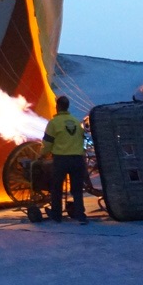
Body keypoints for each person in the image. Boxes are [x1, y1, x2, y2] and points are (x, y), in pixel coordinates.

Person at [43, 95, 89, 224]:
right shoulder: (75, 121)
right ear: (68, 106)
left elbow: (47, 143)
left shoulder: (53, 123)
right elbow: (82, 139)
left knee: (56, 188)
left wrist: (41, 154)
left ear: (57, 107)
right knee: (77, 189)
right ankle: (81, 216)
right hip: (77, 160)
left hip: (61, 160)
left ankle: (56, 215)